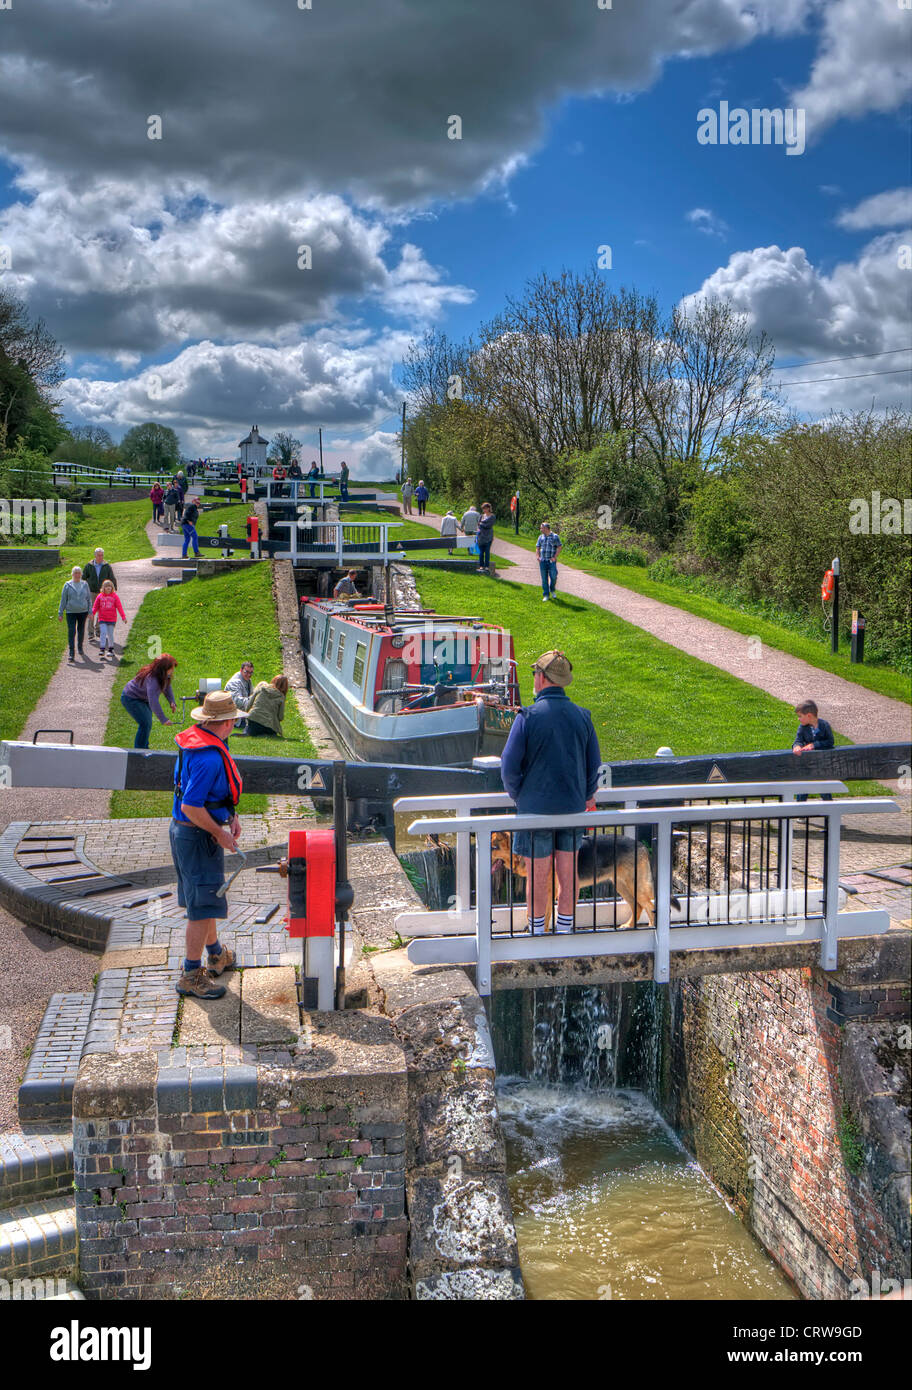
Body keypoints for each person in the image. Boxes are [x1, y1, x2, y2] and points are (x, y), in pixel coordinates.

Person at [501, 650, 601, 933]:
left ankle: (536, 932)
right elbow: (594, 766)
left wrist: (520, 795)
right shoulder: (583, 717)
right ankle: (565, 930)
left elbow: (508, 767)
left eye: (535, 674)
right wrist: (584, 795)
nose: (533, 678)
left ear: (542, 678)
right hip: (571, 810)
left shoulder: (528, 716)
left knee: (537, 877)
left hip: (535, 812)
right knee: (568, 876)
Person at [170, 689, 243, 999]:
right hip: (197, 837)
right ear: (226, 723)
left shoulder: (196, 743)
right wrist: (220, 833)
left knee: (207, 899)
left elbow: (209, 795)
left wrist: (230, 815)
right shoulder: (210, 759)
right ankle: (190, 975)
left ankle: (216, 955)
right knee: (200, 910)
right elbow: (191, 806)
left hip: (187, 835)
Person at [121, 654, 178, 748]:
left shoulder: (163, 675)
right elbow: (153, 701)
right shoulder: (153, 679)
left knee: (147, 723)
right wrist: (163, 719)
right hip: (131, 698)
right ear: (163, 669)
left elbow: (167, 686)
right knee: (145, 723)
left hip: (142, 698)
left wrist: (171, 701)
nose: (172, 671)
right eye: (171, 668)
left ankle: (144, 748)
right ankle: (139, 751)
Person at [792, 700, 835, 801]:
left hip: (821, 763)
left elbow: (830, 741)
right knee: (803, 788)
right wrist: (797, 746)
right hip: (807, 764)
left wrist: (814, 745)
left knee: (823, 787)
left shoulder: (824, 725)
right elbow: (798, 740)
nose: (799, 719)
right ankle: (801, 812)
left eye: (800, 716)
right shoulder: (802, 728)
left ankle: (829, 809)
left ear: (809, 716)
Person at [58, 566, 92, 664]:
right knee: (71, 631)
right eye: (75, 573)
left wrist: (90, 612)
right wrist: (60, 612)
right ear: (72, 574)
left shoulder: (85, 584)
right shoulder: (67, 585)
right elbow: (63, 599)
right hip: (70, 612)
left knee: (81, 630)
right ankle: (71, 652)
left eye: (79, 573)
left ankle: (80, 647)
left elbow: (89, 599)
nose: (77, 575)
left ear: (81, 574)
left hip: (83, 611)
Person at [83, 547, 118, 639]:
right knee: (91, 612)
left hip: (102, 593)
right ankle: (90, 633)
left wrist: (114, 589)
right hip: (92, 592)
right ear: (95, 556)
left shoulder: (106, 566)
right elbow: (83, 578)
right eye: (99, 555)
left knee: (101, 612)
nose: (100, 557)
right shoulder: (89, 566)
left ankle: (98, 630)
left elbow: (111, 578)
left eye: (102, 555)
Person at [91, 580, 126, 661]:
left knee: (110, 634)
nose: (108, 588)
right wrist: (92, 614)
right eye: (106, 586)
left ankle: (111, 649)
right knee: (103, 632)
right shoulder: (100, 596)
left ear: (112, 588)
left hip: (111, 619)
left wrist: (123, 617)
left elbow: (119, 607)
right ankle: (102, 649)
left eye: (110, 586)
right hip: (102, 618)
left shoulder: (115, 596)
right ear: (103, 588)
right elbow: (95, 606)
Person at [536, 521, 563, 602]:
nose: (541, 529)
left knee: (554, 576)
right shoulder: (540, 537)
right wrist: (538, 556)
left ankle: (552, 589)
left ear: (546, 528)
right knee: (544, 579)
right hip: (543, 561)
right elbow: (537, 547)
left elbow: (559, 547)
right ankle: (546, 595)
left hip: (551, 561)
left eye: (542, 528)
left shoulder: (555, 537)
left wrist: (555, 557)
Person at [476, 502, 495, 572]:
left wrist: (481, 524)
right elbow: (478, 524)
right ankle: (481, 565)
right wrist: (481, 524)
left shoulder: (492, 516)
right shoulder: (481, 516)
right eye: (483, 509)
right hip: (481, 536)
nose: (484, 510)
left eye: (485, 508)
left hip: (488, 536)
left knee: (487, 552)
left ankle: (487, 566)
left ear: (489, 508)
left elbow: (488, 525)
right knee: (481, 552)